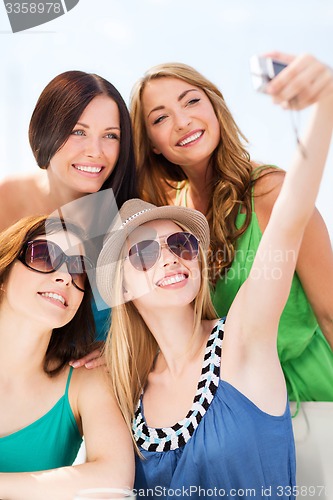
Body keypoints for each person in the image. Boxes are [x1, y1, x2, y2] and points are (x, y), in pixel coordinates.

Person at [96, 84, 333, 498]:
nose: (170, 257)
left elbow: (292, 213)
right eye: (144, 252)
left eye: (182, 244)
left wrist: (325, 101)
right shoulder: (124, 389)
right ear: (121, 285)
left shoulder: (242, 340)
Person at [129, 52, 333, 404]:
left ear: (214, 107)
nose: (182, 121)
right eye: (160, 118)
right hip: (230, 403)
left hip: (313, 393)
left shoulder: (271, 192)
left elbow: (330, 313)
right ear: (151, 144)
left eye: (192, 101)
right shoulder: (169, 220)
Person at [0, 215, 134, 500]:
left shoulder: (86, 379)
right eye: (45, 256)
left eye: (79, 269)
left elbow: (116, 479)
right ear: (5, 269)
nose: (65, 277)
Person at [0, 70, 138, 341]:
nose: (95, 151)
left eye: (111, 136)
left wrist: (115, 354)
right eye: (78, 131)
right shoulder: (8, 198)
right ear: (45, 130)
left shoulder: (126, 225)